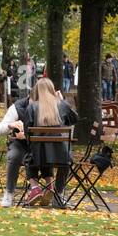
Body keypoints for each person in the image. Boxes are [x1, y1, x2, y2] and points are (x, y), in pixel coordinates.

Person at [21, 78, 77, 207]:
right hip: (63, 156)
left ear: (37, 91)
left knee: (32, 156)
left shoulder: (32, 107)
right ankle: (58, 193)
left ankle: (35, 188)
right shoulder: (62, 105)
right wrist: (62, 99)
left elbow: (27, 132)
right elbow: (74, 119)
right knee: (56, 158)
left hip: (37, 157)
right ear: (52, 90)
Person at [0, 92, 35, 207]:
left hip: (38, 145)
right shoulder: (17, 108)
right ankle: (9, 193)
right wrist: (11, 125)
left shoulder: (47, 107)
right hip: (20, 144)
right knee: (14, 156)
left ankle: (57, 193)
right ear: (29, 97)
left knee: (63, 155)